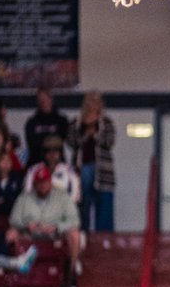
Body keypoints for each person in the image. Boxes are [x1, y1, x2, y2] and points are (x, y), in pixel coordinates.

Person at [9, 165, 82, 268]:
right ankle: (14, 273)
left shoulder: (62, 196)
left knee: (75, 234)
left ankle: (71, 274)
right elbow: (13, 220)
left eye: (45, 182)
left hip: (55, 234)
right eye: (39, 182)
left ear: (50, 182)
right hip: (30, 234)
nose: (42, 185)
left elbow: (75, 220)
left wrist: (57, 227)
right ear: (34, 184)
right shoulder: (24, 197)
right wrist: (26, 225)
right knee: (11, 234)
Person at [66, 91, 116, 232]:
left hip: (103, 172)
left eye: (97, 101)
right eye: (90, 100)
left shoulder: (106, 122)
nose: (93, 104)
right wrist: (85, 134)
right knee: (82, 204)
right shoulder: (76, 123)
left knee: (104, 207)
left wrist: (95, 133)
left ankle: (105, 238)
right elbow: (70, 142)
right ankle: (82, 235)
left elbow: (110, 141)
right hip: (81, 168)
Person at [25, 135, 81, 205]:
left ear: (61, 153)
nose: (52, 154)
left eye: (56, 150)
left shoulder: (70, 171)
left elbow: (75, 197)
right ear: (43, 153)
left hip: (63, 211)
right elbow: (27, 193)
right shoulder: (33, 170)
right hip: (39, 210)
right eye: (48, 150)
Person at [24, 87, 69, 166]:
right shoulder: (31, 122)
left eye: (45, 98)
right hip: (36, 162)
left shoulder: (62, 120)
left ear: (51, 99)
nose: (43, 102)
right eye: (40, 99)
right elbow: (31, 144)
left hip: (57, 163)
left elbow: (60, 141)